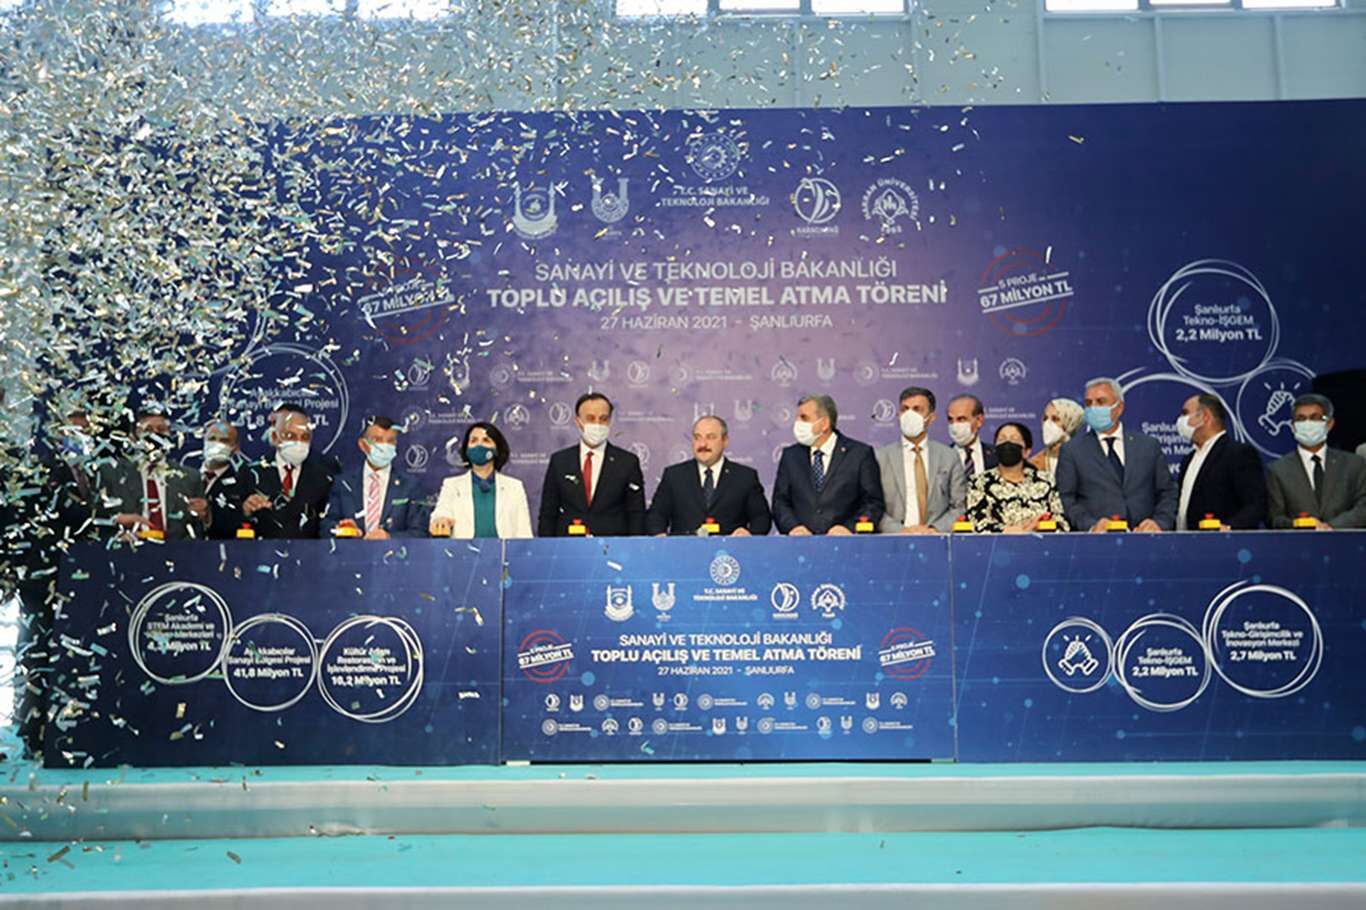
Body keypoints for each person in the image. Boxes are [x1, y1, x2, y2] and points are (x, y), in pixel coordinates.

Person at [1055, 377, 1177, 532]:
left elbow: (1167, 492)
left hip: (1146, 538)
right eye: (1088, 403)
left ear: (1119, 408)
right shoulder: (1072, 451)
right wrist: (1091, 526)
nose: (1093, 408)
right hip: (1098, 541)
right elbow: (1067, 499)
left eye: (1100, 402)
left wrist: (1159, 522)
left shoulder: (1148, 446)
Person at [772, 394, 884, 535]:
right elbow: (780, 502)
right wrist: (793, 527)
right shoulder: (791, 456)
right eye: (797, 418)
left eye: (804, 418)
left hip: (846, 543)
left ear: (824, 423)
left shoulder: (859, 454)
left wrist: (850, 528)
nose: (797, 423)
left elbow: (873, 503)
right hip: (800, 543)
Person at [538, 392, 645, 536]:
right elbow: (548, 514)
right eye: (590, 418)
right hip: (569, 545)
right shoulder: (560, 461)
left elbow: (636, 514)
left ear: (610, 421)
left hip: (613, 546)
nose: (597, 424)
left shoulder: (627, 462)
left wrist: (633, 547)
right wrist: (548, 547)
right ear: (578, 421)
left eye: (603, 419)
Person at [646, 415, 771, 536]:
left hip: (730, 549)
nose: (703, 444)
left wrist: (749, 533)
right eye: (697, 437)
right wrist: (659, 535)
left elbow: (762, 518)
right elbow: (656, 515)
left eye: (710, 437)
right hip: (684, 548)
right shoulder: (674, 476)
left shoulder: (745, 477)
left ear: (725, 441)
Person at [94, 409, 204, 541]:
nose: (155, 434)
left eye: (161, 429)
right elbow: (96, 519)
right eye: (148, 430)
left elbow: (199, 528)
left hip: (178, 550)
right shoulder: (111, 473)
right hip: (127, 549)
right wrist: (117, 535)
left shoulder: (190, 477)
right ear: (133, 437)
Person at [1266, 393, 1366, 529]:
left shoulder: (1354, 464)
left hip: (1346, 540)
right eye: (1301, 419)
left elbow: (1363, 507)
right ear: (1293, 426)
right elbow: (1274, 518)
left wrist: (1331, 526)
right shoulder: (1277, 470)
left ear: (1329, 424)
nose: (1307, 423)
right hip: (1300, 541)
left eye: (1314, 418)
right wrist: (1304, 525)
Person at [875, 386, 965, 534]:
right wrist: (901, 530)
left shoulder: (949, 456)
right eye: (905, 409)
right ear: (898, 415)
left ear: (931, 418)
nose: (909, 415)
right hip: (895, 540)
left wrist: (934, 529)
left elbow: (959, 506)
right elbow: (873, 506)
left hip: (936, 538)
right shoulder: (880, 457)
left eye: (917, 409)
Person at [322, 415, 428, 538]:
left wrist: (389, 538)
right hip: (351, 549)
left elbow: (420, 533)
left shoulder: (410, 485)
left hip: (394, 550)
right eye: (377, 439)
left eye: (390, 441)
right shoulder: (344, 483)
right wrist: (344, 530)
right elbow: (326, 527)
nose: (385, 446)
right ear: (363, 444)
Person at [242, 405, 337, 539]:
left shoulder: (326, 474)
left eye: (305, 437)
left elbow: (330, 521)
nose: (298, 442)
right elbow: (232, 525)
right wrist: (245, 510)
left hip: (311, 550)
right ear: (275, 437)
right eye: (290, 436)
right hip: (263, 550)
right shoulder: (251, 473)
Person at [1174, 394, 1266, 530]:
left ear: (1204, 416)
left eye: (1185, 413)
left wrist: (1228, 528)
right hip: (1185, 540)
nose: (1180, 419)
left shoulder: (1239, 454)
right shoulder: (1188, 459)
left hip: (1222, 541)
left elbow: (1256, 505)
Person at [430, 422, 533, 539]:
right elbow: (440, 513)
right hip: (463, 550)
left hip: (504, 551)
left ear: (497, 449)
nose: (479, 445)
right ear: (466, 449)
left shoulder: (515, 487)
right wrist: (441, 520)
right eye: (473, 440)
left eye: (486, 440)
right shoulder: (451, 485)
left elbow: (524, 534)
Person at [966, 422, 1069, 533]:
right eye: (1002, 439)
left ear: (1026, 452)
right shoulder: (978, 483)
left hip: (1042, 541)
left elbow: (1062, 521)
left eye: (1014, 439)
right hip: (999, 543)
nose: (1007, 443)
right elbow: (977, 523)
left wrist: (1037, 526)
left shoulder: (1047, 481)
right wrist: (1013, 531)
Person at [187, 419, 247, 539]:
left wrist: (209, 514)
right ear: (204, 441)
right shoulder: (184, 475)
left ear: (235, 447)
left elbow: (238, 520)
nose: (217, 444)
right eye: (212, 439)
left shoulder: (243, 482)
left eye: (224, 440)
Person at [1029, 398, 1085, 480]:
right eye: (1045, 418)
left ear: (1069, 424)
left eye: (1055, 419)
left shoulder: (1086, 461)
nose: (1047, 424)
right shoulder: (1034, 463)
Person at [946, 394, 997, 481]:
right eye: (950, 420)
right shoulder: (940, 458)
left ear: (979, 420)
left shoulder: (996, 455)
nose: (954, 426)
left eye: (961, 419)